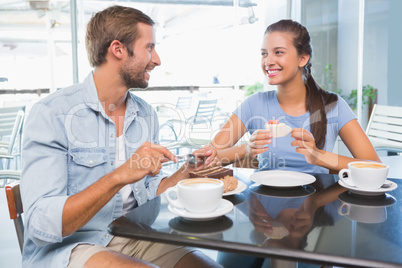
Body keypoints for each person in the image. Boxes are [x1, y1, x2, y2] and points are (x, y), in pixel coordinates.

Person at [21, 5, 220, 268]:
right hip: (71, 247)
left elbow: (147, 195)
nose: (157, 59)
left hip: (134, 235)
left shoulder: (146, 114)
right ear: (118, 49)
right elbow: (40, 224)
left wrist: (184, 173)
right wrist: (118, 176)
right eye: (149, 47)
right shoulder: (51, 114)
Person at [206, 19, 380, 173]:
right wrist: (247, 149)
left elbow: (374, 165)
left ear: (302, 59)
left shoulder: (333, 105)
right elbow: (207, 157)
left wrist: (318, 156)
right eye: (264, 53)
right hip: (265, 204)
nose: (268, 61)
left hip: (316, 205)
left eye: (278, 52)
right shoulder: (254, 104)